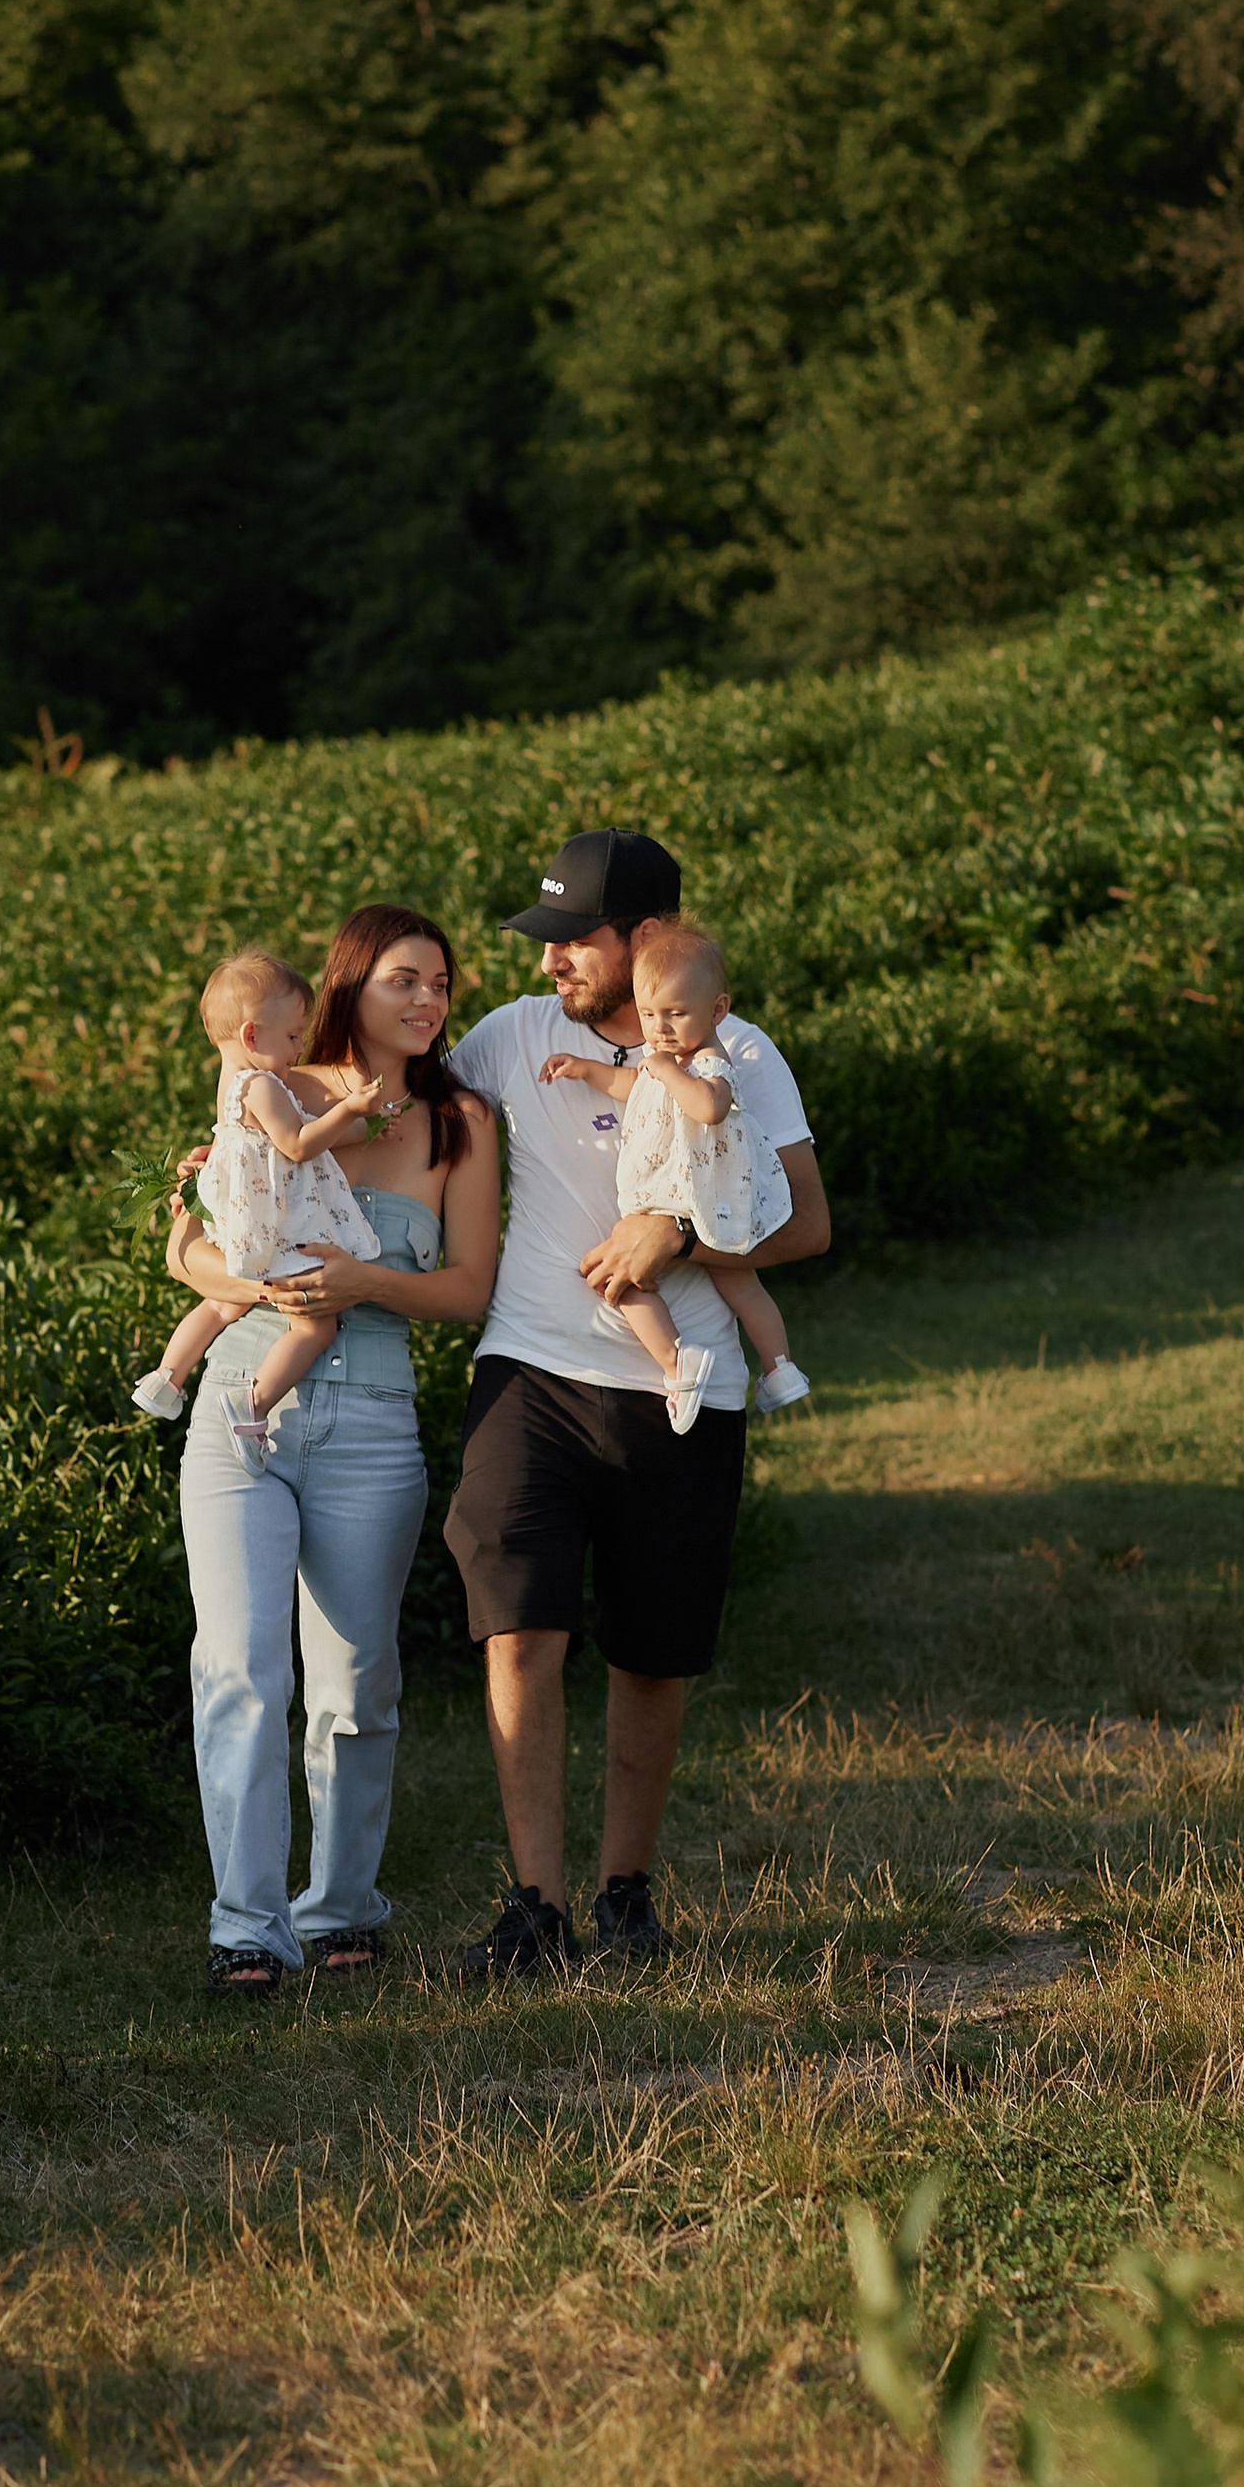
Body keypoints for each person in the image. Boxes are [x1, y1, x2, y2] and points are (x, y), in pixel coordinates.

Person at [444, 827, 829, 1975]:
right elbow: (401, 1117)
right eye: (545, 939)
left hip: (681, 1392)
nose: (550, 960)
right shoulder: (512, 1035)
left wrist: (680, 1239)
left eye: (575, 939)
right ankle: (534, 1908)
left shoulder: (738, 1053)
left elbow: (807, 1224)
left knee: (651, 1657)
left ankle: (625, 1896)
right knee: (518, 1628)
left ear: (644, 937)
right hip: (529, 1371)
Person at [161, 905, 500, 1995]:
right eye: (405, 979)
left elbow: (469, 1289)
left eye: (440, 983)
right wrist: (221, 1269)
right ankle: (245, 1928)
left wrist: (364, 1283)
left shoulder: (460, 1122)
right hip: (241, 1407)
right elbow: (201, 1247)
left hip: (371, 1427)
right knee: (239, 1671)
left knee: (357, 1684)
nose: (428, 1000)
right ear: (350, 984)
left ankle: (342, 1905)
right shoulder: (272, 1084)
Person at [537, 919, 809, 1434]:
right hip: (681, 1193)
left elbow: (710, 1107)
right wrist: (586, 1069)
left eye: (675, 1014)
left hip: (687, 1194)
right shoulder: (664, 1057)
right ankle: (759, 1368)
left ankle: (729, 1364)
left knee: (626, 1278)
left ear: (717, 1011)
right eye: (648, 1015)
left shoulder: (709, 1059)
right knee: (721, 1282)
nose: (659, 1029)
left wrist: (666, 1070)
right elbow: (631, 1084)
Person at [131, 948, 384, 1459]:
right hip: (274, 1222)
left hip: (243, 1216)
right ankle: (253, 1405)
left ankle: (167, 1375)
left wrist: (367, 1124)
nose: (299, 1048)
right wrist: (352, 1109)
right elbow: (299, 1144)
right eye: (292, 1037)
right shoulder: (262, 1086)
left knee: (223, 1302)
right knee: (316, 1325)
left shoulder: (234, 1081)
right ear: (252, 1036)